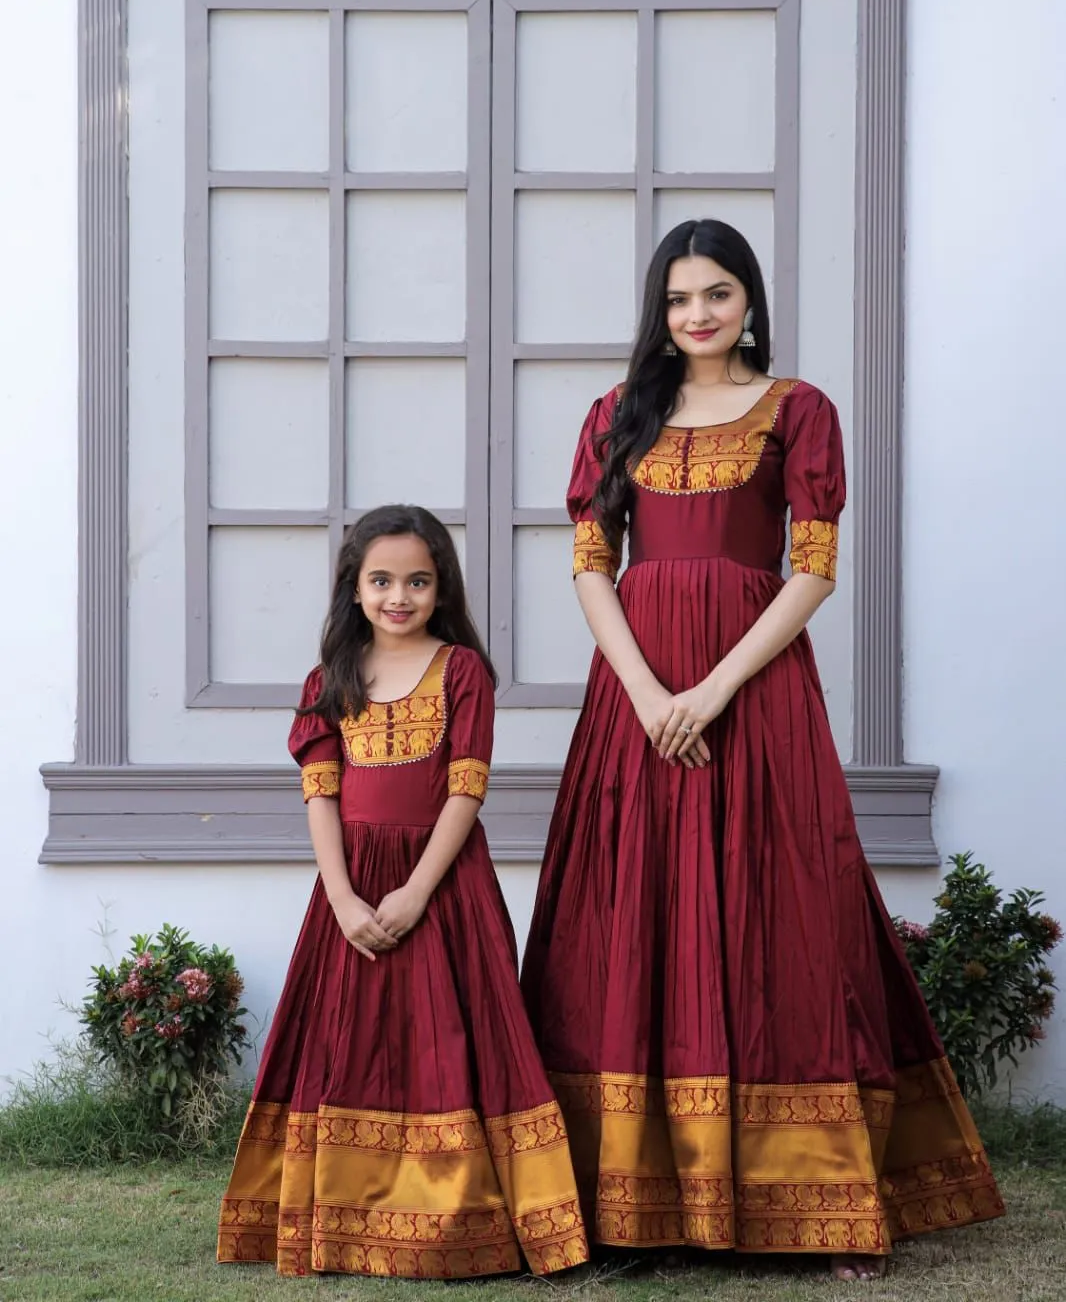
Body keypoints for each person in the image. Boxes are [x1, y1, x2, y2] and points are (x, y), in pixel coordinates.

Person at [520, 220, 1003, 1281]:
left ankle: (820, 1200)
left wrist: (713, 687)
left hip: (755, 688)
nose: (698, 314)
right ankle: (624, 1201)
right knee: (629, 909)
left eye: (719, 294)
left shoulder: (799, 410)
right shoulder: (614, 416)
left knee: (780, 907)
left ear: (750, 301)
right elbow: (592, 567)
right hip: (635, 698)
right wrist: (650, 693)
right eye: (680, 297)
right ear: (658, 307)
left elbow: (813, 569)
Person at [218, 505, 588, 1280]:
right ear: (353, 589)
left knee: (452, 1043)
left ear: (440, 587)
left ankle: (460, 1225)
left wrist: (418, 892)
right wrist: (346, 900)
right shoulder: (328, 681)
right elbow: (321, 797)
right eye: (381, 580)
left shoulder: (463, 672)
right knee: (348, 1049)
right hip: (348, 893)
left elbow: (465, 793)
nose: (399, 596)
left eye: (418, 581)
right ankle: (348, 1223)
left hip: (445, 891)